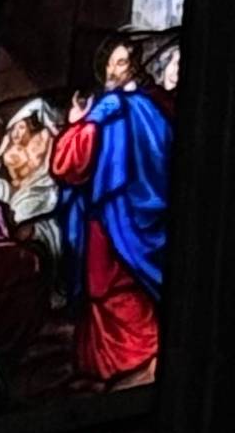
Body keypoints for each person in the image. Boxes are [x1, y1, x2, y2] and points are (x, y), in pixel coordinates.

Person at [48, 38, 167, 384]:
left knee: (112, 283)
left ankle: (142, 353)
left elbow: (68, 163)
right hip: (118, 212)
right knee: (106, 285)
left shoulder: (114, 108)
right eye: (113, 63)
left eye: (124, 61)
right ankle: (117, 364)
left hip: (117, 212)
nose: (117, 69)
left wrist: (76, 125)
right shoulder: (151, 108)